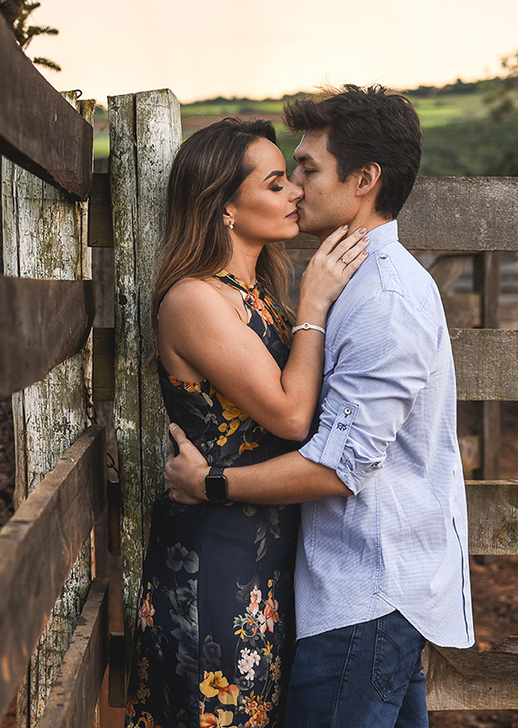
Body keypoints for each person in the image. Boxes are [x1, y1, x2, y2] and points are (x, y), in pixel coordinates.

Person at [164, 85, 475, 728]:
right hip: (338, 587)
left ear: (364, 179)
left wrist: (211, 483)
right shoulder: (341, 288)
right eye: (284, 175)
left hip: (367, 594)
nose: (297, 187)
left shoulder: (382, 298)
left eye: (306, 169)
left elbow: (340, 464)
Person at [125, 117, 371, 728]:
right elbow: (291, 415)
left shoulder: (261, 297)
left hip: (270, 559)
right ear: (225, 208)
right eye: (276, 183)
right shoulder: (196, 300)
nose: (296, 192)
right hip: (215, 557)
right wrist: (315, 303)